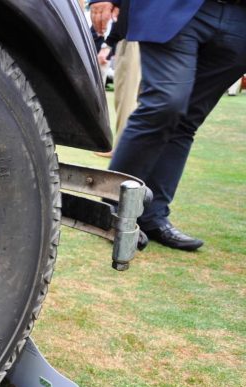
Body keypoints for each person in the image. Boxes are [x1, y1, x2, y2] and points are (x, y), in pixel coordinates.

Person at [90, 0, 246, 251]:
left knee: (187, 120)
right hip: (171, 8)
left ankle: (153, 215)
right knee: (163, 104)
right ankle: (115, 208)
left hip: (239, 19)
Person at [95, 23, 140, 159]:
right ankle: (132, 147)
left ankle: (122, 148)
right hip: (153, 40)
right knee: (140, 99)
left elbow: (124, 10)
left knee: (126, 98)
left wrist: (107, 44)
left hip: (132, 37)